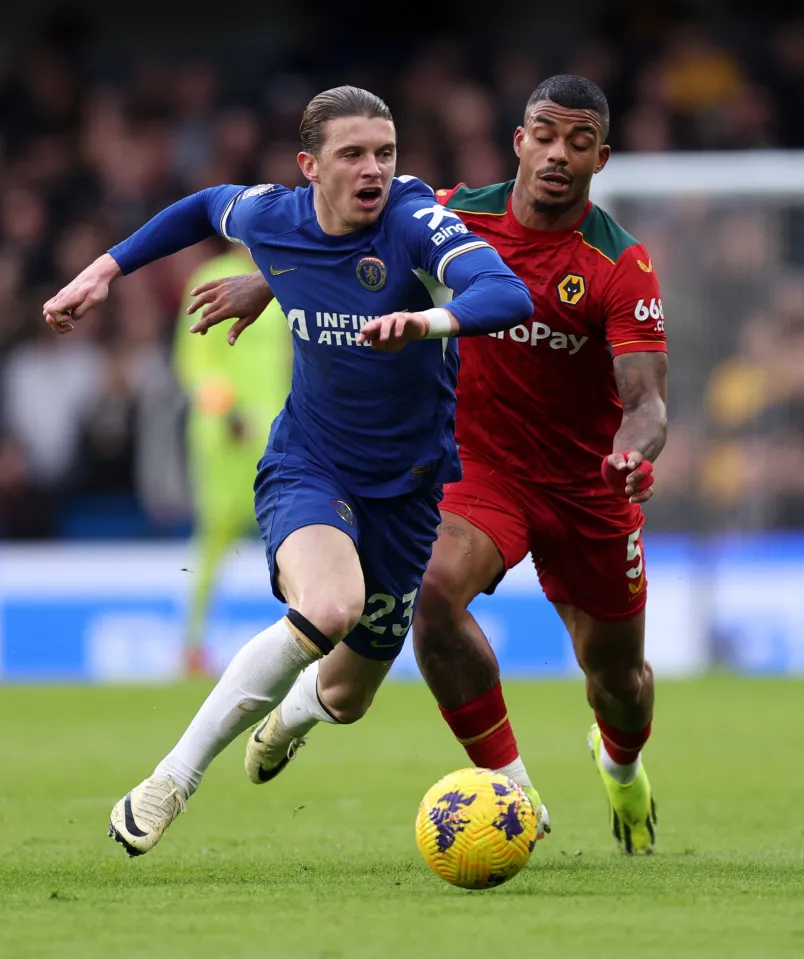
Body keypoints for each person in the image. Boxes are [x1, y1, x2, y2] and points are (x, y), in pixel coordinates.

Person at [43, 85, 537, 857]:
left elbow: (506, 292)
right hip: (311, 461)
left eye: (385, 153)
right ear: (310, 166)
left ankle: (290, 716)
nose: (373, 169)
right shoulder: (274, 218)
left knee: (347, 694)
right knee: (332, 603)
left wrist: (427, 318)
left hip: (409, 492)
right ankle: (170, 778)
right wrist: (106, 269)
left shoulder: (414, 222)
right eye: (352, 155)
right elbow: (206, 205)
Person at [190, 76, 668, 855]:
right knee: (434, 596)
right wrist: (270, 281)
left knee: (619, 679)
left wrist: (632, 451)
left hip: (587, 483)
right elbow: (342, 239)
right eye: (544, 135)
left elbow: (647, 401)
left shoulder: (620, 265)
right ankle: (511, 791)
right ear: (519, 142)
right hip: (480, 467)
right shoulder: (451, 213)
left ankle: (621, 766)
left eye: (578, 143)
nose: (557, 154)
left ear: (601, 158)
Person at [173, 245, 291, 677]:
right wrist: (227, 412)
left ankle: (310, 639)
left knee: (294, 534)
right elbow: (194, 360)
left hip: (277, 431)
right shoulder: (213, 276)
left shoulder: (283, 274)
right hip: (226, 438)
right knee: (215, 538)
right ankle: (191, 646)